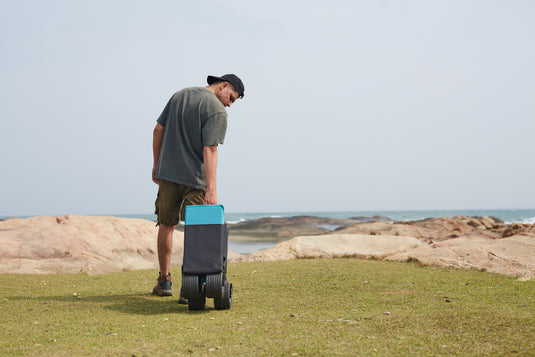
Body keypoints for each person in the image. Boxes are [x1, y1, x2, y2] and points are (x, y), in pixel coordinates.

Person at [151, 74, 244, 303]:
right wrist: (211, 189)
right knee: (196, 232)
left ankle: (164, 281)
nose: (229, 104)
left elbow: (158, 130)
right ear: (224, 86)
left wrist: (156, 164)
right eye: (231, 97)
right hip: (195, 179)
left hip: (168, 174)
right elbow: (210, 149)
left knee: (166, 225)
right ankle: (189, 286)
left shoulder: (179, 95)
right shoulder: (216, 110)